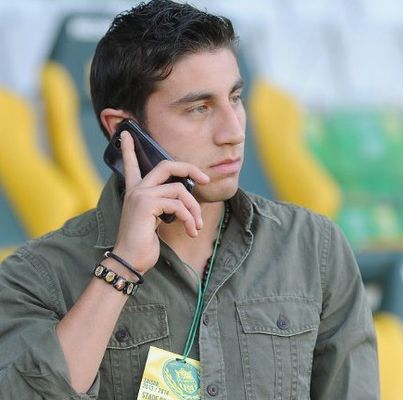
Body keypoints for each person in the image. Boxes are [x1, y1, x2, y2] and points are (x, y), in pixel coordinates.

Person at [0, 1, 379, 399]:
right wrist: (121, 267)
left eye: (234, 98)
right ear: (122, 130)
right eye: (199, 108)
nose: (232, 131)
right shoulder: (37, 276)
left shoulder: (314, 248)